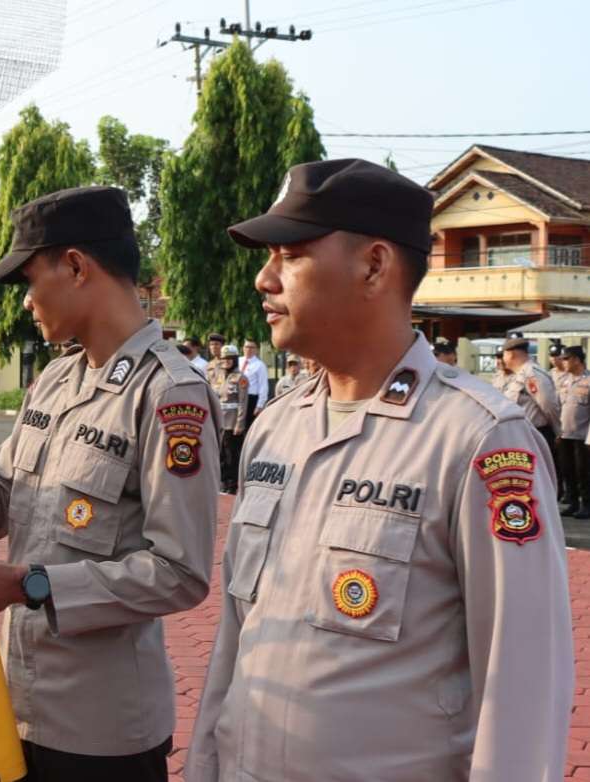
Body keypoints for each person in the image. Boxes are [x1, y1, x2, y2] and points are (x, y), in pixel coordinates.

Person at [187, 159, 572, 782]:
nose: (265, 279)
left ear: (372, 265)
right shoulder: (275, 429)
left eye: (291, 255)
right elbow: (235, 642)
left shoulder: (477, 439)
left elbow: (522, 683)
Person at [0, 186, 220, 782]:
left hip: (101, 732)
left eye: (29, 280)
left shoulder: (169, 395)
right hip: (19, 704)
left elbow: (181, 574)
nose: (26, 303)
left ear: (75, 266)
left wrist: (30, 584)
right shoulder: (53, 381)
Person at [501, 335, 561, 442]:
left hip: (534, 434)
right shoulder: (519, 374)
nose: (503, 359)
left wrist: (558, 431)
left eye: (504, 355)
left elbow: (548, 404)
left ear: (511, 354)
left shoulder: (531, 373)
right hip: (521, 433)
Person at [207, 345, 248, 493]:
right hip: (218, 421)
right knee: (221, 454)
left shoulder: (241, 378)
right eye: (224, 359)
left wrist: (240, 423)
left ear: (235, 360)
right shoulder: (218, 377)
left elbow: (243, 402)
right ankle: (223, 481)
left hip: (232, 422)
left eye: (229, 359)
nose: (226, 362)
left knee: (232, 455)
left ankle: (233, 484)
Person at [560, 345, 590, 518]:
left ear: (577, 360)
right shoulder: (565, 380)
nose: (563, 362)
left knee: (583, 472)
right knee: (567, 470)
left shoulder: (588, 380)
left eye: (566, 358)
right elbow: (560, 407)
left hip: (582, 436)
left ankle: (586, 504)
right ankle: (572, 502)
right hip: (565, 434)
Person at [239, 338, 268, 422]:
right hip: (237, 398)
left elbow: (263, 386)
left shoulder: (260, 365)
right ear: (243, 348)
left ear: (256, 350)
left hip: (251, 399)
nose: (249, 349)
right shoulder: (237, 361)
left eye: (252, 347)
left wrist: (259, 405)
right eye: (247, 347)